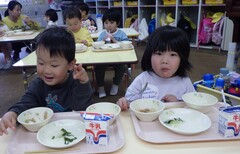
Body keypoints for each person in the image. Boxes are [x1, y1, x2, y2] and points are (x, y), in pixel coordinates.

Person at [0, 27, 93, 136]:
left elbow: (82, 109)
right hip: (44, 135)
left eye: (54, 65)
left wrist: (84, 83)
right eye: (41, 63)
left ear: (70, 64)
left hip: (72, 132)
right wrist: (13, 113)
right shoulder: (38, 85)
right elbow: (26, 102)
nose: (46, 70)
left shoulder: (74, 82)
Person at [117, 26, 196, 110]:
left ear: (182, 58)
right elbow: (129, 103)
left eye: (173, 55)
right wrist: (123, 103)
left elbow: (193, 106)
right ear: (149, 55)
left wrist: (178, 103)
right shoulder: (143, 79)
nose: (165, 61)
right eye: (159, 53)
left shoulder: (184, 82)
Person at [95, 9, 129, 98]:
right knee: (98, 67)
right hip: (104, 58)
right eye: (106, 23)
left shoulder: (121, 34)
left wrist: (114, 40)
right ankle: (101, 87)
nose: (108, 25)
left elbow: (126, 45)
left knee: (121, 67)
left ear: (117, 23)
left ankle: (115, 84)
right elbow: (97, 45)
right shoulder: (103, 34)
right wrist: (102, 41)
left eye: (112, 22)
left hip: (118, 57)